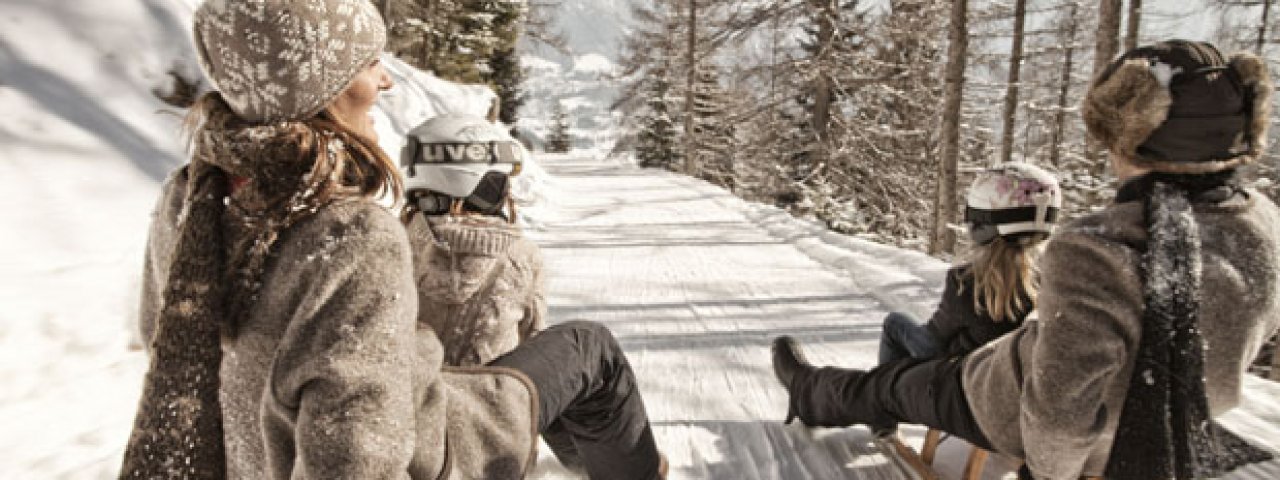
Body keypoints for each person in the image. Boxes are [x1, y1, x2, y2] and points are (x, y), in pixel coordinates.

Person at [123, 1, 664, 479]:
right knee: (590, 351)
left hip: (254, 459)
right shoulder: (351, 235)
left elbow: (167, 341)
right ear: (319, 87)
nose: (384, 81)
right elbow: (360, 462)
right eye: (367, 64)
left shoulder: (191, 198)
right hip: (441, 448)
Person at [773, 39, 1280, 479]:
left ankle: (808, 389)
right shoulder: (1262, 229)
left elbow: (1058, 416)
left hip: (1003, 404)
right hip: (1170, 430)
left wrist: (1048, 472)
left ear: (1134, 138)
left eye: (1113, 141)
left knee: (888, 384)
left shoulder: (1100, 247)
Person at [878, 162, 1059, 368]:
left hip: (965, 382)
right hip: (1012, 380)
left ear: (981, 222)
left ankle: (881, 395)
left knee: (894, 323)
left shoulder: (967, 282)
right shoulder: (1052, 282)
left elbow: (934, 341)